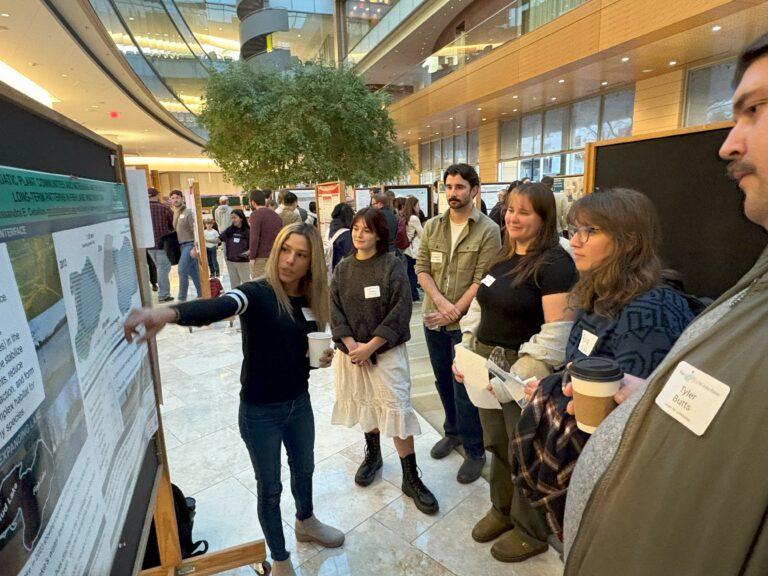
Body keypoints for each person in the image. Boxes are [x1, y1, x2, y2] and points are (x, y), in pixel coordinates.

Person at [562, 32, 768, 576]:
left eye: (756, 109)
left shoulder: (654, 310)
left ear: (626, 240)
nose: (728, 144)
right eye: (573, 229)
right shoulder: (751, 295)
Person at [124, 223, 344, 576]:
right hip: (260, 412)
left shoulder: (310, 300)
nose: (290, 260)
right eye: (286, 250)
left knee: (305, 470)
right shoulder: (257, 293)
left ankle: (307, 521)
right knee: (269, 488)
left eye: (301, 255)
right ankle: (282, 559)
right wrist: (168, 313)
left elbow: (299, 352)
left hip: (298, 405)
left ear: (311, 262)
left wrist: (321, 358)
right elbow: (222, 305)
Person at [453, 182, 577, 562]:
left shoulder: (556, 265)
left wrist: (515, 377)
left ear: (544, 218)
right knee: (496, 445)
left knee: (524, 452)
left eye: (525, 212)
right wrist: (467, 348)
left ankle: (531, 531)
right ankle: (502, 510)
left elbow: (558, 333)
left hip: (523, 376)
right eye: (510, 209)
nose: (513, 217)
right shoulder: (500, 257)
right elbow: (480, 307)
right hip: (484, 366)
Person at [330, 208, 439, 515]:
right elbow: (334, 306)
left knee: (396, 407)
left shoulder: (392, 265)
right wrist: (352, 345)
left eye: (366, 229)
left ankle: (410, 476)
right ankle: (373, 455)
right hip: (352, 354)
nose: (358, 234)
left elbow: (401, 309)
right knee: (366, 404)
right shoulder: (343, 268)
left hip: (386, 353)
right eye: (355, 228)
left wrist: (372, 346)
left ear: (379, 234)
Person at [415, 163, 502, 483]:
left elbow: (485, 278)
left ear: (474, 190)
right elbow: (421, 268)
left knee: (467, 385)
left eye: (460, 187)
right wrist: (442, 304)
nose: (453, 193)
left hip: (468, 325)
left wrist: (456, 312)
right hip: (434, 318)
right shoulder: (432, 226)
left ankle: (476, 449)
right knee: (442, 380)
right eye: (449, 187)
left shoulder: (489, 230)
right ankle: (453, 432)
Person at [170, 189, 202, 302]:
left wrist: (195, 246)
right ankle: (201, 293)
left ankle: (181, 299)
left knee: (182, 270)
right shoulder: (175, 213)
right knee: (192, 271)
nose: (175, 200)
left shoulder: (188, 212)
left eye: (177, 197)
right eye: (173, 198)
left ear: (182, 198)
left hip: (189, 245)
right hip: (182, 246)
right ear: (170, 200)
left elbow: (195, 230)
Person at [147, 187, 174, 303]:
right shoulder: (164, 208)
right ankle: (163, 295)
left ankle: (161, 292)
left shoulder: (142, 209)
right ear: (156, 195)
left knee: (159, 268)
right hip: (162, 244)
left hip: (148, 245)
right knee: (163, 268)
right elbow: (173, 224)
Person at [248, 189, 282, 279]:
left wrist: (252, 258)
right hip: (274, 255)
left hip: (260, 257)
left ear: (253, 202)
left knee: (259, 285)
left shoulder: (255, 215)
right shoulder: (275, 215)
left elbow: (254, 237)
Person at [220, 208, 251, 289]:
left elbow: (253, 246)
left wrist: (247, 253)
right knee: (234, 285)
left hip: (242, 262)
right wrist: (204, 240)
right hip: (231, 262)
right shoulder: (230, 230)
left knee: (246, 284)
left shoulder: (248, 231)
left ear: (241, 218)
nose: (233, 220)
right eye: (231, 218)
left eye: (234, 217)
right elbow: (219, 239)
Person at [400, 196, 423, 301]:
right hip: (413, 249)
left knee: (409, 271)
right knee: (413, 273)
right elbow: (421, 234)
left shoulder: (405, 216)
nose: (419, 207)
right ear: (413, 206)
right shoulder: (414, 218)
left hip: (406, 248)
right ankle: (413, 294)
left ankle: (410, 293)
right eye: (418, 205)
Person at [324, 202, 354, 274]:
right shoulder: (346, 235)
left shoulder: (329, 229)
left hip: (330, 271)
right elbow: (350, 257)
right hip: (342, 272)